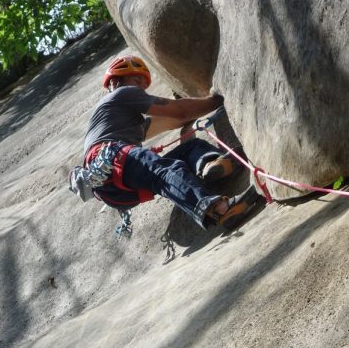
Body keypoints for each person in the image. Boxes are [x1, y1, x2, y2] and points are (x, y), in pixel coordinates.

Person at [80, 54, 266, 232]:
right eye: (137, 81)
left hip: (115, 192)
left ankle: (209, 164)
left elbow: (172, 121)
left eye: (143, 86)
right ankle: (221, 209)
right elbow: (180, 112)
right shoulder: (121, 94)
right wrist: (217, 98)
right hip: (112, 159)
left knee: (188, 149)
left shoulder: (118, 120)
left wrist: (192, 119)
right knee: (165, 171)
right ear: (114, 82)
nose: (141, 89)